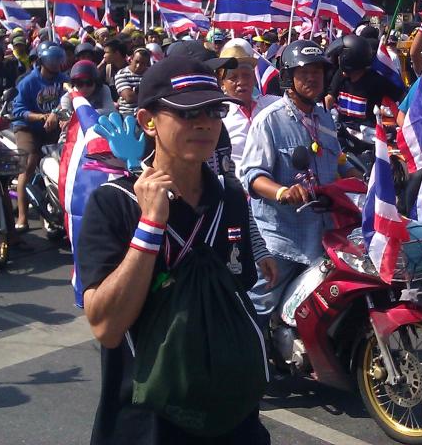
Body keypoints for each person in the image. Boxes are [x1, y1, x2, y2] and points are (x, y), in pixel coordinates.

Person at [76, 55, 273, 445]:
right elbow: (106, 327)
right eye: (187, 113)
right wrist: (150, 226)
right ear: (148, 121)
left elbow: (235, 295)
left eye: (213, 110)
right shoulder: (113, 204)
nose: (204, 123)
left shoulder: (229, 198)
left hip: (231, 416)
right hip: (148, 421)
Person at [240, 40, 362, 326]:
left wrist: (359, 175)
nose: (312, 78)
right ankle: (258, 361)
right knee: (261, 307)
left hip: (324, 233)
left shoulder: (324, 118)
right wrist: (282, 191)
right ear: (288, 78)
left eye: (318, 72)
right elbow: (252, 176)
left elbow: (337, 159)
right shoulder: (269, 120)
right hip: (282, 237)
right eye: (304, 72)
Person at [11, 42, 68, 231]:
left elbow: (71, 96)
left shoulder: (63, 80)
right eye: (52, 60)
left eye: (59, 60)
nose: (56, 64)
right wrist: (42, 116)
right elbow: (18, 110)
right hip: (28, 128)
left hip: (51, 128)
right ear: (42, 61)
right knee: (28, 165)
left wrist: (56, 113)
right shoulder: (28, 81)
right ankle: (22, 216)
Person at [218, 42, 278, 173]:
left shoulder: (272, 106)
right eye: (233, 77)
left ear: (254, 78)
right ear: (222, 83)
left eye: (246, 75)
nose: (241, 82)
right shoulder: (218, 117)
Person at [324, 34, 402, 130]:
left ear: (349, 59)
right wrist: (317, 115)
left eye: (341, 57)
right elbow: (329, 98)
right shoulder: (340, 75)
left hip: (367, 135)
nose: (339, 61)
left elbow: (399, 99)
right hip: (343, 131)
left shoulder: (376, 81)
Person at [114, 47, 151, 118]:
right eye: (136, 61)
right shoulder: (122, 74)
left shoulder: (151, 73)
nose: (138, 66)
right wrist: (148, 92)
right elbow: (129, 98)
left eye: (143, 63)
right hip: (128, 114)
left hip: (148, 112)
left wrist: (136, 91)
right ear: (131, 59)